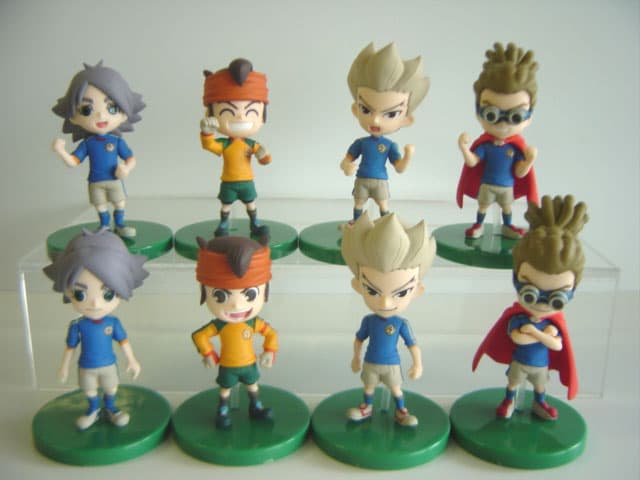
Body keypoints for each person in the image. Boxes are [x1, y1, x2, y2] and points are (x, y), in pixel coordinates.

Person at [473, 195, 588, 419]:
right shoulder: (519, 318)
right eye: (530, 290)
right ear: (516, 278)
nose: (542, 302)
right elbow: (518, 338)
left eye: (557, 297)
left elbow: (556, 345)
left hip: (540, 365)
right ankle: (509, 401)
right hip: (520, 362)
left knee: (540, 386)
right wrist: (542, 335)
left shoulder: (548, 323)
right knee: (513, 384)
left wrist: (533, 332)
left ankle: (540, 403)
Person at [43, 228, 148, 429]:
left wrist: (132, 360)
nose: (96, 304)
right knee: (89, 390)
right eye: (80, 295)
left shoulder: (112, 323)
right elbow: (70, 347)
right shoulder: (78, 325)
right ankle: (92, 410)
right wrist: (64, 366)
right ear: (68, 292)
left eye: (108, 294)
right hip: (86, 366)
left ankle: (111, 408)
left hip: (108, 364)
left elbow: (123, 341)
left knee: (111, 388)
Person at [341, 212, 436, 426]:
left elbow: (412, 345)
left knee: (396, 389)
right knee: (368, 388)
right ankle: (366, 408)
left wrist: (418, 364)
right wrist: (356, 358)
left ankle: (401, 410)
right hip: (371, 363)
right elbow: (359, 339)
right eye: (372, 290)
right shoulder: (368, 321)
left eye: (401, 292)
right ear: (358, 286)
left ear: (417, 290)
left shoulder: (401, 324)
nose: (385, 303)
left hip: (392, 365)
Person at [192, 235, 278, 428]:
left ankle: (255, 407)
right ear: (204, 292)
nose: (237, 305)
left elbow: (271, 333)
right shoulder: (220, 325)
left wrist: (269, 351)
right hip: (228, 366)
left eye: (250, 294)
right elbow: (200, 335)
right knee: (225, 390)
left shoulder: (253, 323)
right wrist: (208, 353)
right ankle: (222, 411)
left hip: (249, 364)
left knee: (253, 386)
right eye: (220, 296)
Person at [52, 62, 145, 238]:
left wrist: (126, 169)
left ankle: (120, 224)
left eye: (112, 108)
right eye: (87, 109)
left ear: (124, 112)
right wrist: (61, 151)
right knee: (100, 205)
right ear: (73, 117)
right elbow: (73, 162)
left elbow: (131, 158)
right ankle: (104, 226)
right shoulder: (88, 143)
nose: (101, 116)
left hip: (114, 179)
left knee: (119, 203)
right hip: (95, 182)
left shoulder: (117, 141)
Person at [457, 42, 539, 239]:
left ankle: (507, 226)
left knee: (507, 208)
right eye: (491, 113)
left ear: (529, 118)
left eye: (516, 115)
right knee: (483, 206)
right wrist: (464, 147)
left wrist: (529, 160)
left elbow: (519, 172)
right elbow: (473, 162)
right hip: (487, 184)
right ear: (478, 112)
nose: (503, 122)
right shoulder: (485, 145)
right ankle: (478, 225)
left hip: (506, 186)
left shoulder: (516, 148)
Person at [340, 43, 430, 223]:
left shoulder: (390, 146)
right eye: (366, 110)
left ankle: (384, 226)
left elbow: (399, 168)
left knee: (383, 206)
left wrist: (408, 155)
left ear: (406, 120)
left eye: (390, 114)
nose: (375, 121)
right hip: (362, 179)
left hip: (380, 181)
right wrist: (346, 166)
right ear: (355, 109)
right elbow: (347, 159)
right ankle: (356, 225)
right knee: (358, 204)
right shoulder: (360, 143)